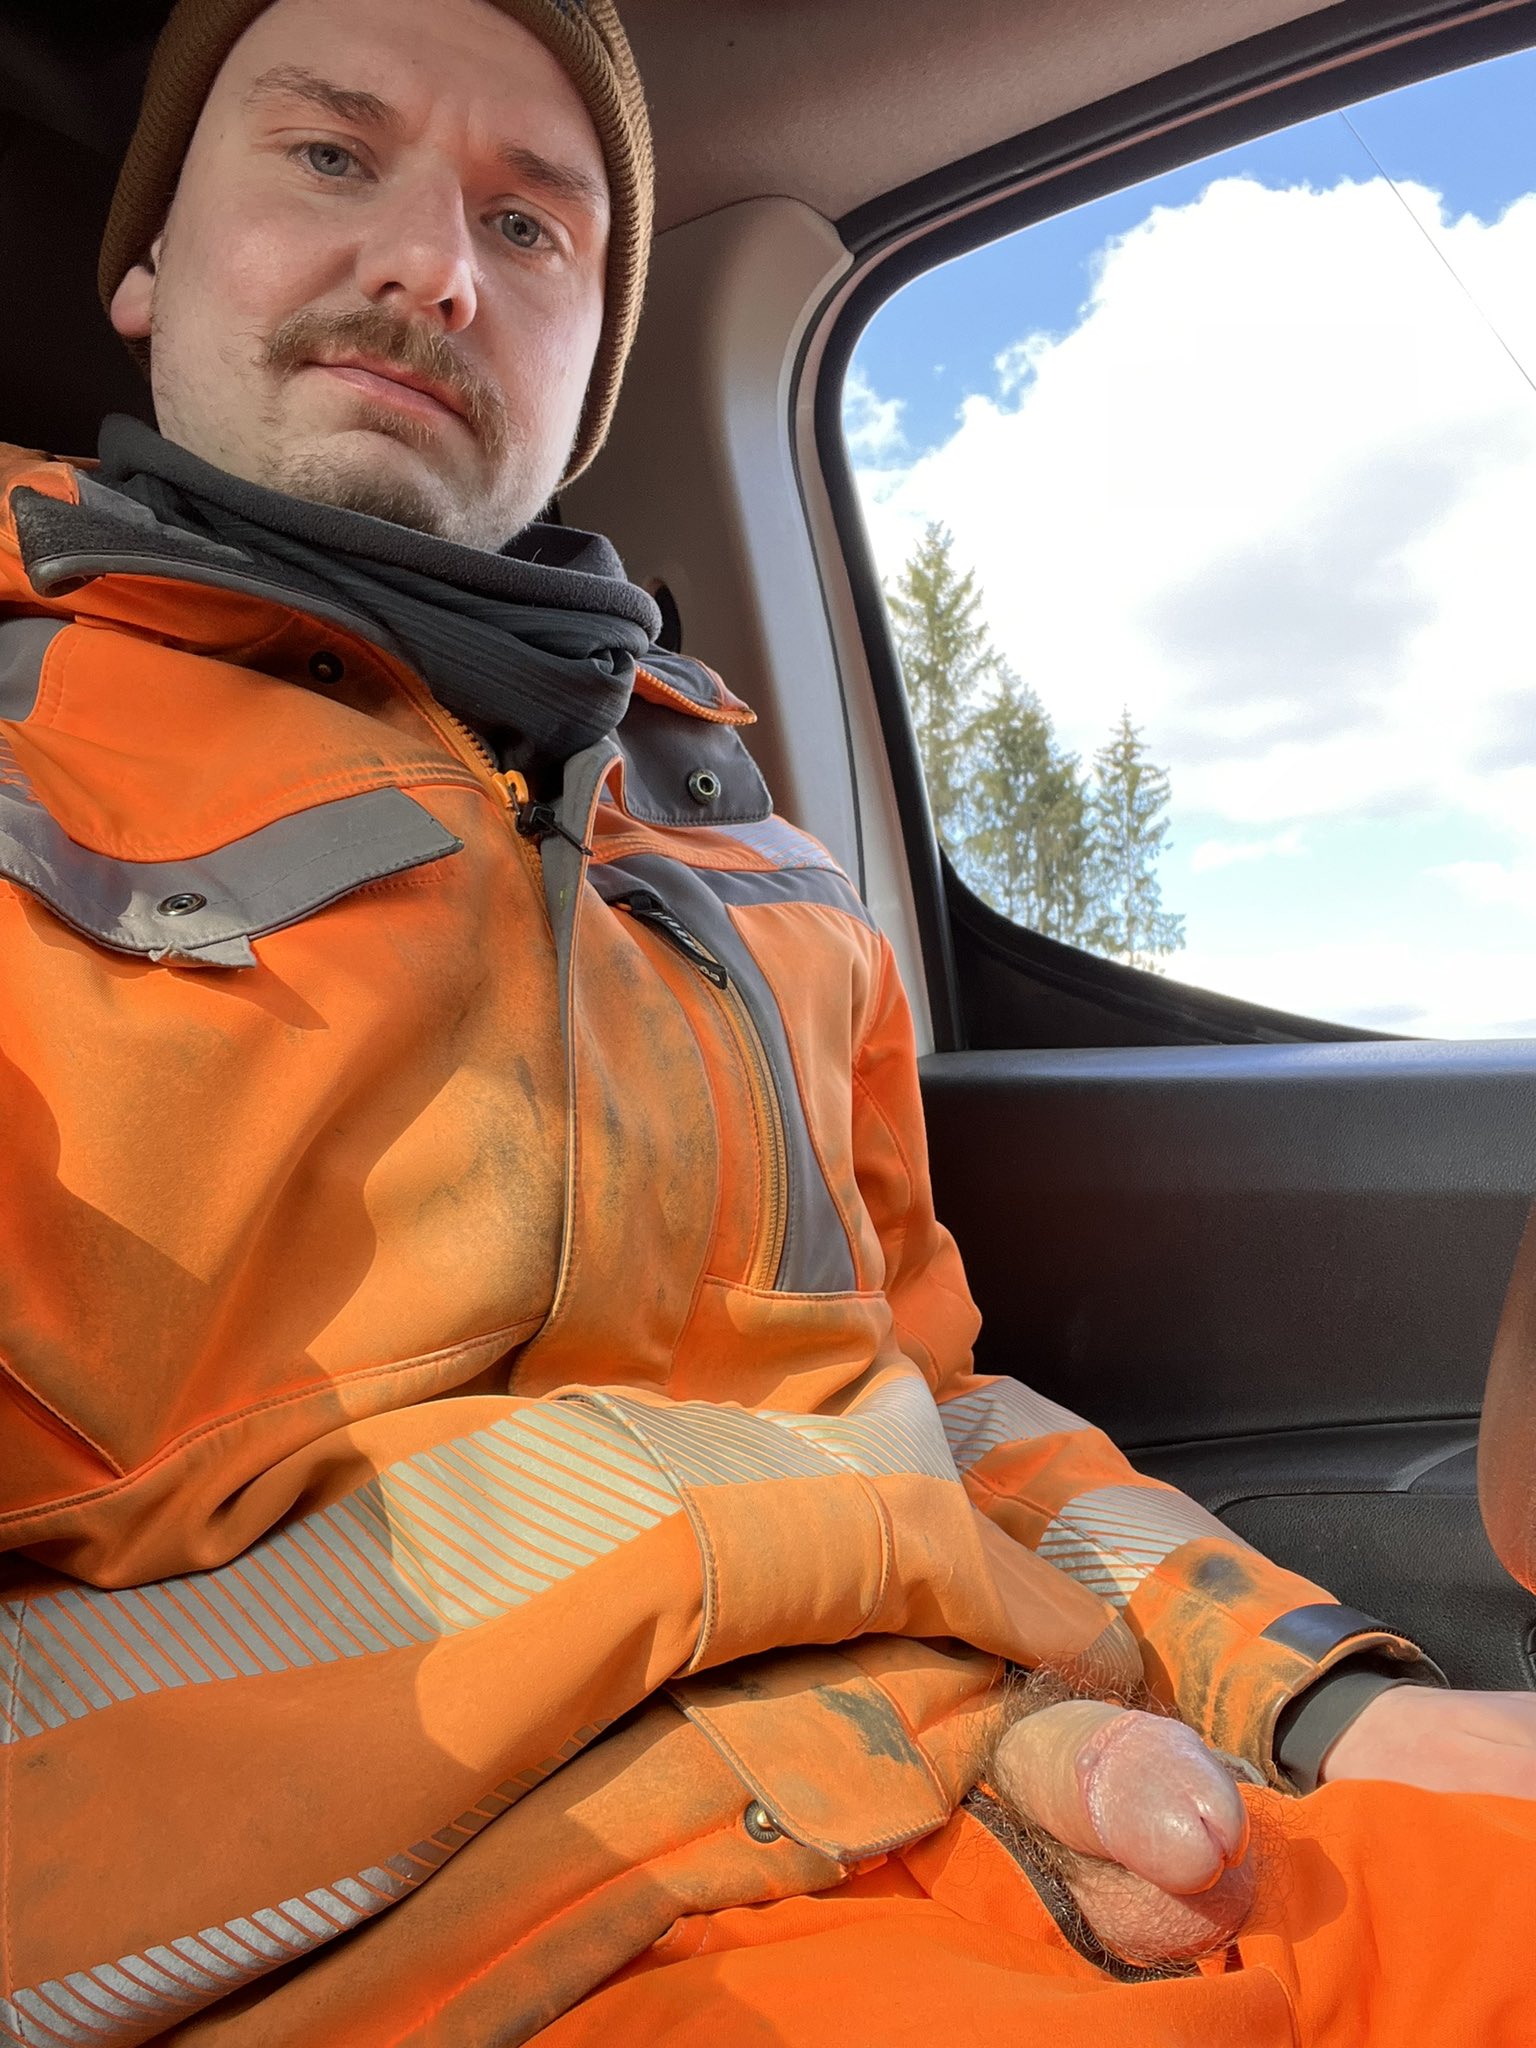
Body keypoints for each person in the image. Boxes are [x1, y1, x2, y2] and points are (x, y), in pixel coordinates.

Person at [2, 0, 1533, 2041]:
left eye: (530, 227)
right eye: (331, 155)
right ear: (143, 263)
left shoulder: (755, 859)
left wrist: (1320, 1703)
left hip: (1013, 1821)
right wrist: (793, 1601)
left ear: (588, 370)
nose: (436, 265)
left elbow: (932, 1400)